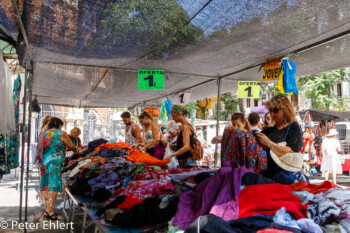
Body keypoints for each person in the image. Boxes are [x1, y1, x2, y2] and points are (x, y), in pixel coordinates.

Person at [256, 95, 306, 184]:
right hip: (268, 178)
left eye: (275, 110)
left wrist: (268, 143)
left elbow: (292, 151)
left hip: (285, 178)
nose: (272, 114)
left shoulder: (293, 127)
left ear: (285, 109)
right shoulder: (270, 131)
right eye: (270, 110)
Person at [40, 117, 79, 220]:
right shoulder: (61, 133)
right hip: (55, 162)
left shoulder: (43, 133)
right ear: (58, 124)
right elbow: (71, 146)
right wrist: (77, 150)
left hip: (44, 162)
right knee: (53, 186)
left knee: (46, 185)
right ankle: (50, 211)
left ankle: (46, 209)